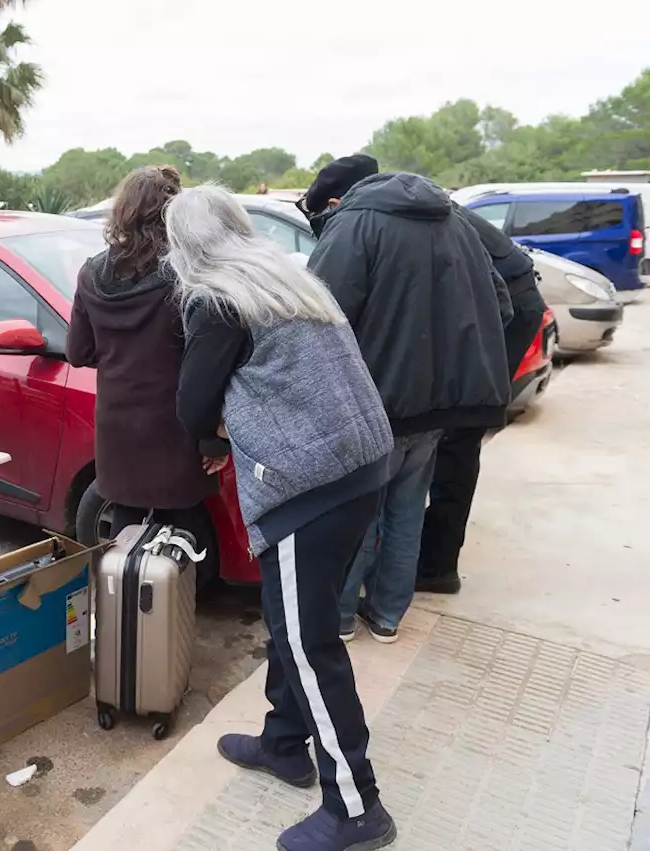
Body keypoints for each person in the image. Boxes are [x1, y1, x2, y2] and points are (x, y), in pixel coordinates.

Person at [168, 185, 396, 851]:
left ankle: (357, 806)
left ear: (183, 248)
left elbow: (190, 404)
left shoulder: (217, 297)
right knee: (291, 614)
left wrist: (210, 439)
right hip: (360, 465)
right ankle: (285, 741)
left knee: (307, 640)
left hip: (309, 483)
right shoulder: (288, 278)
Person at [301, 155, 512, 643]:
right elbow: (500, 305)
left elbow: (317, 315)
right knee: (406, 511)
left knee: (359, 514)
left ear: (337, 201)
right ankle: (388, 615)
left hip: (376, 402)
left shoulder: (355, 225)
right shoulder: (455, 221)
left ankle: (337, 620)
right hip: (439, 407)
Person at [65, 165, 217, 547]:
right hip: (177, 428)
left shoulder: (91, 272)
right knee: (182, 533)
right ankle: (172, 606)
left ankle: (124, 603)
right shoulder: (189, 276)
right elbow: (209, 365)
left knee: (125, 527)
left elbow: (78, 352)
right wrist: (216, 439)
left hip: (118, 428)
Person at [416, 210, 547, 594]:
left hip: (507, 308)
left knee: (458, 436)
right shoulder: (420, 206)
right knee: (453, 436)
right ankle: (431, 551)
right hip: (510, 301)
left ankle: (437, 567)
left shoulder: (408, 217)